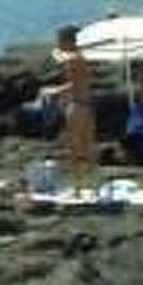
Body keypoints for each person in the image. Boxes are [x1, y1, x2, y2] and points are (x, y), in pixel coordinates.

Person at [44, 25, 96, 193]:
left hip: (76, 106)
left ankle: (77, 187)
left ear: (67, 41)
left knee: (75, 147)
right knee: (88, 145)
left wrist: (54, 91)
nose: (58, 44)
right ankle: (94, 183)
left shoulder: (72, 60)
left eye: (60, 41)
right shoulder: (81, 57)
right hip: (86, 105)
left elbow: (74, 84)